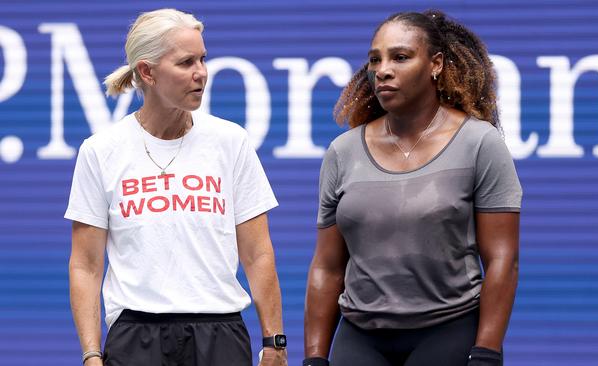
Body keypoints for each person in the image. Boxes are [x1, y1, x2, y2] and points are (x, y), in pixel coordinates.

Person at [65, 9, 287, 366]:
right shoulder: (100, 150)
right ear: (147, 72)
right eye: (185, 62)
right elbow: (86, 265)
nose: (201, 73)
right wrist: (91, 355)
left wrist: (275, 342)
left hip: (221, 333)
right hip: (136, 337)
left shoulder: (230, 141)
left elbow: (258, 254)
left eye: (202, 59)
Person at [303, 10, 521, 366]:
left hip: (448, 330)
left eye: (400, 57)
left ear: (435, 64)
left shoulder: (480, 143)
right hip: (359, 336)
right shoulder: (343, 152)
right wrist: (314, 357)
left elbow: (502, 260)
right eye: (375, 59)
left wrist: (486, 351)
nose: (383, 70)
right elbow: (327, 267)